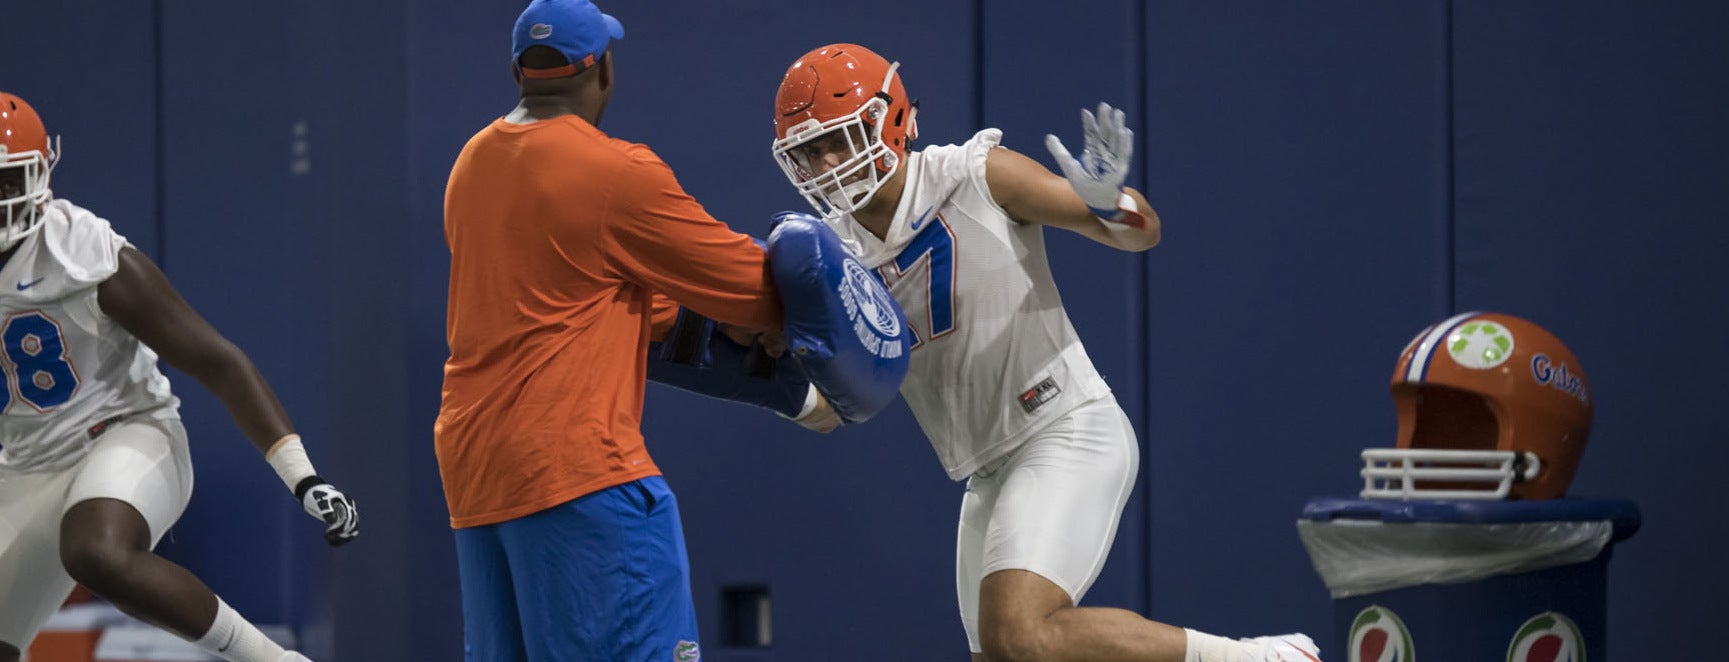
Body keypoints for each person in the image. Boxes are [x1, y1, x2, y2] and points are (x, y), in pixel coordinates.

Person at [768, 44, 1323, 662]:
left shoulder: (974, 173)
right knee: (1003, 653)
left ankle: (1264, 660)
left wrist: (1110, 202)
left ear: (888, 118)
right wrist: (774, 387)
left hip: (1062, 429)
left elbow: (1141, 233)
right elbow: (833, 406)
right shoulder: (833, 255)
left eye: (839, 139)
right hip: (986, 473)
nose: (826, 163)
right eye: (809, 151)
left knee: (1022, 633)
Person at [436, 0, 846, 659]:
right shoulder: (612, 172)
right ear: (602, 73)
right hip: (578, 469)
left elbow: (600, 300)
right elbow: (761, 290)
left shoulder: (472, 163)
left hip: (478, 475)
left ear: (518, 72)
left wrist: (752, 354)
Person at [0, 92, 358, 662]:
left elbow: (217, 361)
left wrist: (302, 477)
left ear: (41, 174)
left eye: (4, 183)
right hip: (22, 461)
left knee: (99, 552)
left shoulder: (83, 255)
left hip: (121, 433)